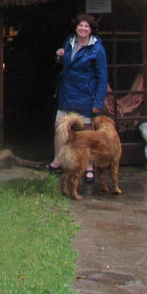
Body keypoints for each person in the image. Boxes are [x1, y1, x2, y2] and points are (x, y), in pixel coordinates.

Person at [49, 14, 109, 181]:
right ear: (76, 28)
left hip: (85, 94)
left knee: (86, 132)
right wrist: (59, 55)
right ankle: (57, 160)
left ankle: (89, 166)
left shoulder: (97, 49)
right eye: (80, 26)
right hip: (67, 92)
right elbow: (60, 63)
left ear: (91, 30)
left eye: (87, 27)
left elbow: (102, 77)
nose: (83, 29)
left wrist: (98, 101)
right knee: (59, 126)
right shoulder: (69, 42)